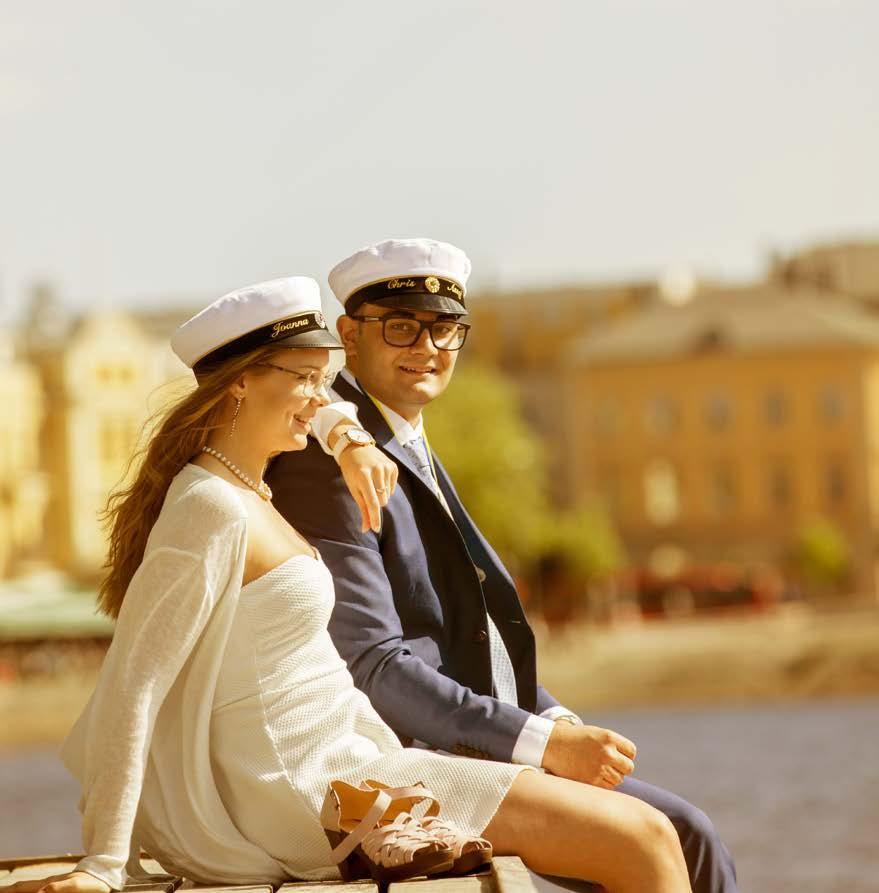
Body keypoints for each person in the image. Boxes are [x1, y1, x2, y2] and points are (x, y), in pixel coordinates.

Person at [10, 275, 691, 893]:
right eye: (307, 378)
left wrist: (348, 439)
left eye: (323, 377)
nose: (323, 397)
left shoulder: (251, 487)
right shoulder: (208, 508)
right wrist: (101, 860)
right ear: (242, 382)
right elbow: (134, 683)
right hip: (312, 793)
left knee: (645, 831)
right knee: (640, 834)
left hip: (355, 763)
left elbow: (329, 409)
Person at [268, 239, 738, 893]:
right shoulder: (334, 462)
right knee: (674, 835)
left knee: (685, 831)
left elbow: (466, 635)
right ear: (349, 333)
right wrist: (539, 745)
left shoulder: (401, 438)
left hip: (462, 741)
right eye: (400, 325)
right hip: (393, 763)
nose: (426, 347)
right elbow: (371, 665)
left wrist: (558, 725)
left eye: (445, 328)